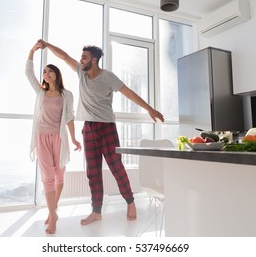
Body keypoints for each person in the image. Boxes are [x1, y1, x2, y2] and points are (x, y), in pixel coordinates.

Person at [37, 39, 165, 226]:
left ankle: (130, 202)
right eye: (81, 57)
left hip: (106, 128)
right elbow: (64, 57)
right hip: (88, 129)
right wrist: (47, 45)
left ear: (94, 60)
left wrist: (150, 109)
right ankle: (96, 211)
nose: (81, 60)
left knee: (116, 168)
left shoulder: (108, 77)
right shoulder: (81, 73)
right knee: (93, 171)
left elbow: (128, 92)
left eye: (84, 57)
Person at [26, 41, 82, 234]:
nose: (46, 74)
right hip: (41, 137)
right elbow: (28, 73)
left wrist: (73, 139)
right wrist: (32, 51)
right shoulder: (40, 92)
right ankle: (53, 216)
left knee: (59, 175)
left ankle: (53, 210)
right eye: (44, 72)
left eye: (50, 71)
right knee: (48, 177)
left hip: (59, 139)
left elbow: (69, 117)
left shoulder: (67, 95)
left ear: (57, 74)